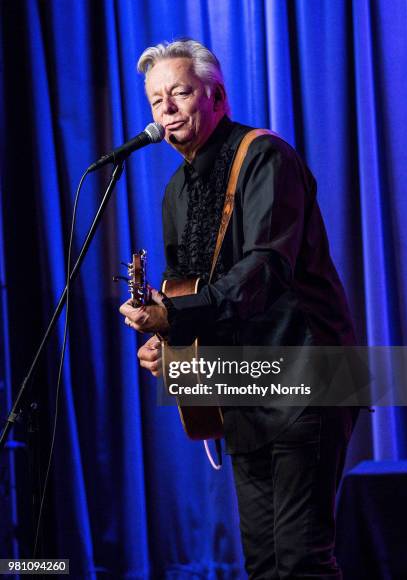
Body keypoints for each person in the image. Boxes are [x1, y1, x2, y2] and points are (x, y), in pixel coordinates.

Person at [119, 39, 359, 579]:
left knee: (302, 561)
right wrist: (168, 342)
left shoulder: (265, 156)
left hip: (307, 376)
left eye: (179, 92)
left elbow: (267, 268)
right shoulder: (176, 190)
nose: (168, 109)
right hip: (241, 389)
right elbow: (186, 294)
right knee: (264, 564)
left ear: (217, 95)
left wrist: (175, 317)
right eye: (157, 101)